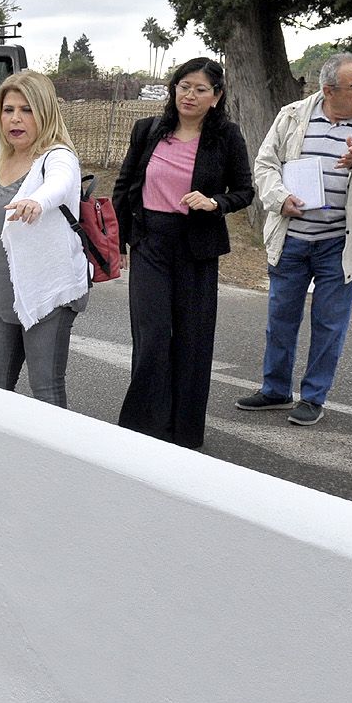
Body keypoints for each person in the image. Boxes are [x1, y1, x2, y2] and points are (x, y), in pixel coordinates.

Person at [236, 53, 352, 425]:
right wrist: (280, 198)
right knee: (280, 319)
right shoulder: (293, 115)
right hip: (291, 237)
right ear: (328, 90)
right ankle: (275, 390)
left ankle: (313, 397)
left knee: (329, 325)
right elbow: (265, 163)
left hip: (340, 243)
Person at [111, 57, 254, 449]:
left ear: (216, 96)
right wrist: (119, 242)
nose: (190, 95)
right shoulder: (148, 130)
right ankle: (142, 429)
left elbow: (245, 191)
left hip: (196, 248)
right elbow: (124, 185)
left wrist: (214, 202)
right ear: (174, 89)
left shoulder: (226, 137)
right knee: (153, 337)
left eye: (200, 89)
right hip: (150, 244)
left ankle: (184, 434)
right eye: (184, 86)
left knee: (192, 342)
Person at [0, 69, 91, 407]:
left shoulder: (58, 156)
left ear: (44, 112)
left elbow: (59, 184)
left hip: (46, 292)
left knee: (45, 386)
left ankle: (55, 443)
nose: (15, 118)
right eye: (8, 110)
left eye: (27, 110)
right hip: (3, 296)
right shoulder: (1, 164)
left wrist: (38, 201)